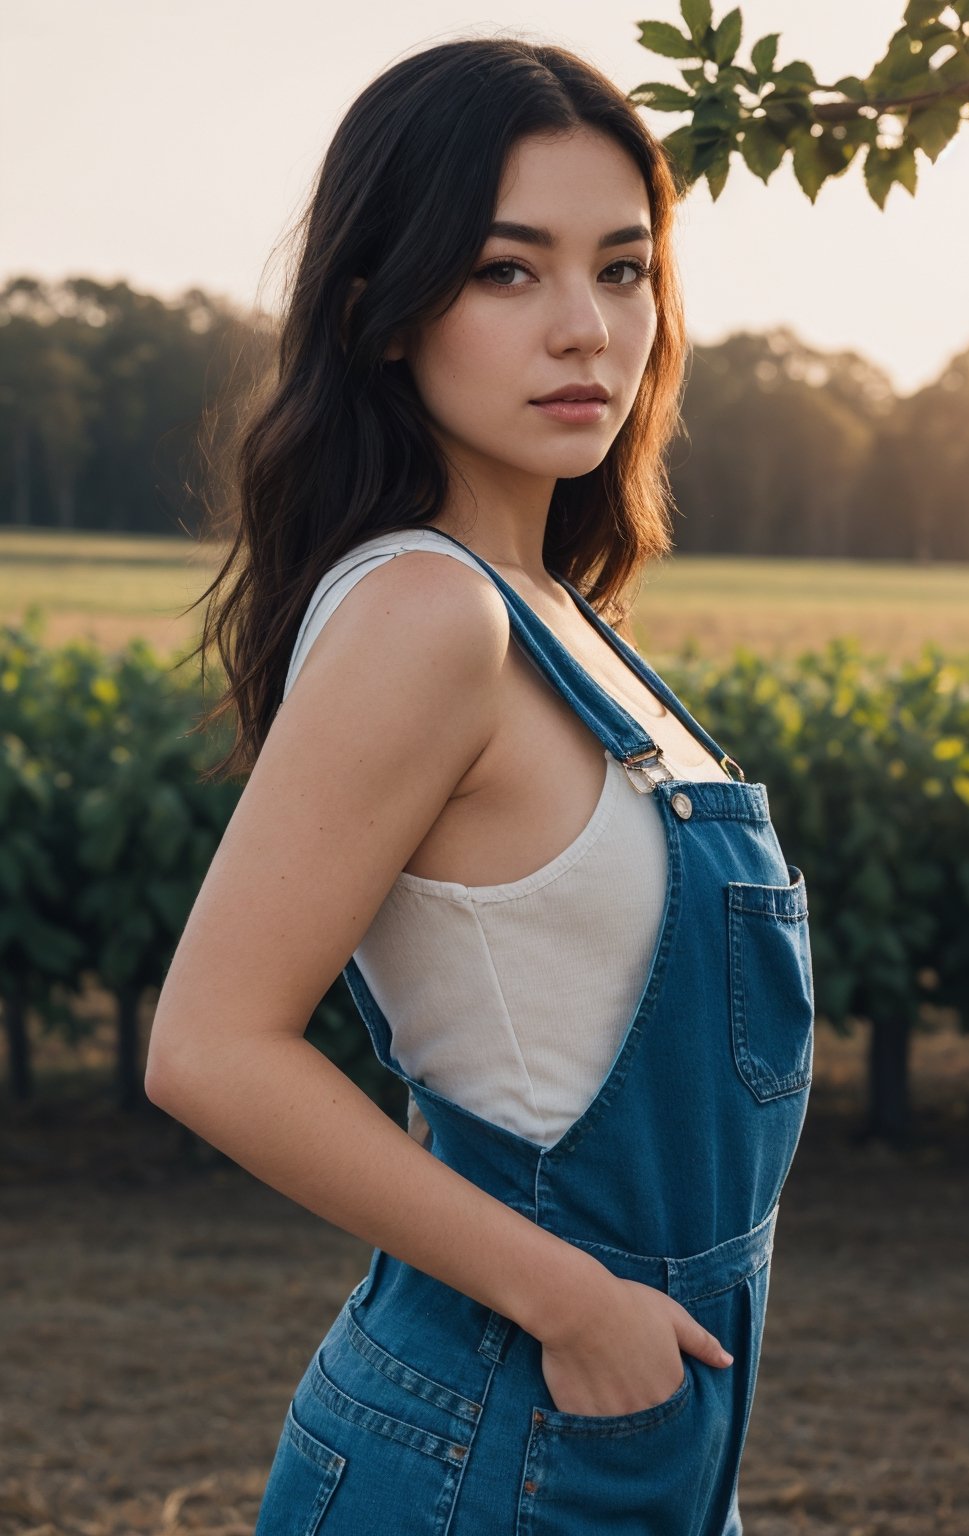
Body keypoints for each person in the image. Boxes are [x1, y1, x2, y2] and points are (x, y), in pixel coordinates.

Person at [146, 33, 815, 1535]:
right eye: (510, 271)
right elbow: (209, 1045)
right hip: (491, 1439)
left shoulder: (562, 617)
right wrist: (577, 1308)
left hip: (634, 1434)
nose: (587, 327)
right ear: (384, 313)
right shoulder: (426, 614)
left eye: (624, 268)